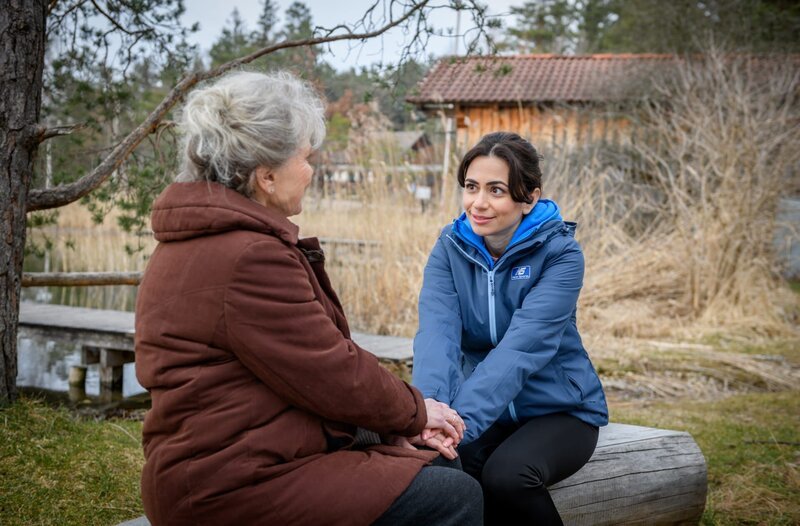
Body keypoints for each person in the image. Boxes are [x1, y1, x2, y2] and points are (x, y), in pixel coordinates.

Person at [135, 70, 482, 526]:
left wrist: (394, 427)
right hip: (231, 487)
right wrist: (417, 413)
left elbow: (309, 367)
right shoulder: (249, 257)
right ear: (267, 177)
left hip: (234, 461)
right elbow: (331, 372)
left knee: (434, 461)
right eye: (305, 157)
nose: (312, 170)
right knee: (454, 497)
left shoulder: (202, 243)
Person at [412, 132, 609, 525]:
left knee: (507, 478)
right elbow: (437, 338)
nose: (478, 203)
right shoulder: (450, 248)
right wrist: (429, 413)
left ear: (529, 197)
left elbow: (521, 350)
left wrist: (458, 424)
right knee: (437, 466)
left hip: (560, 412)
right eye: (471, 187)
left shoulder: (560, 253)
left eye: (496, 190)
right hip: (485, 410)